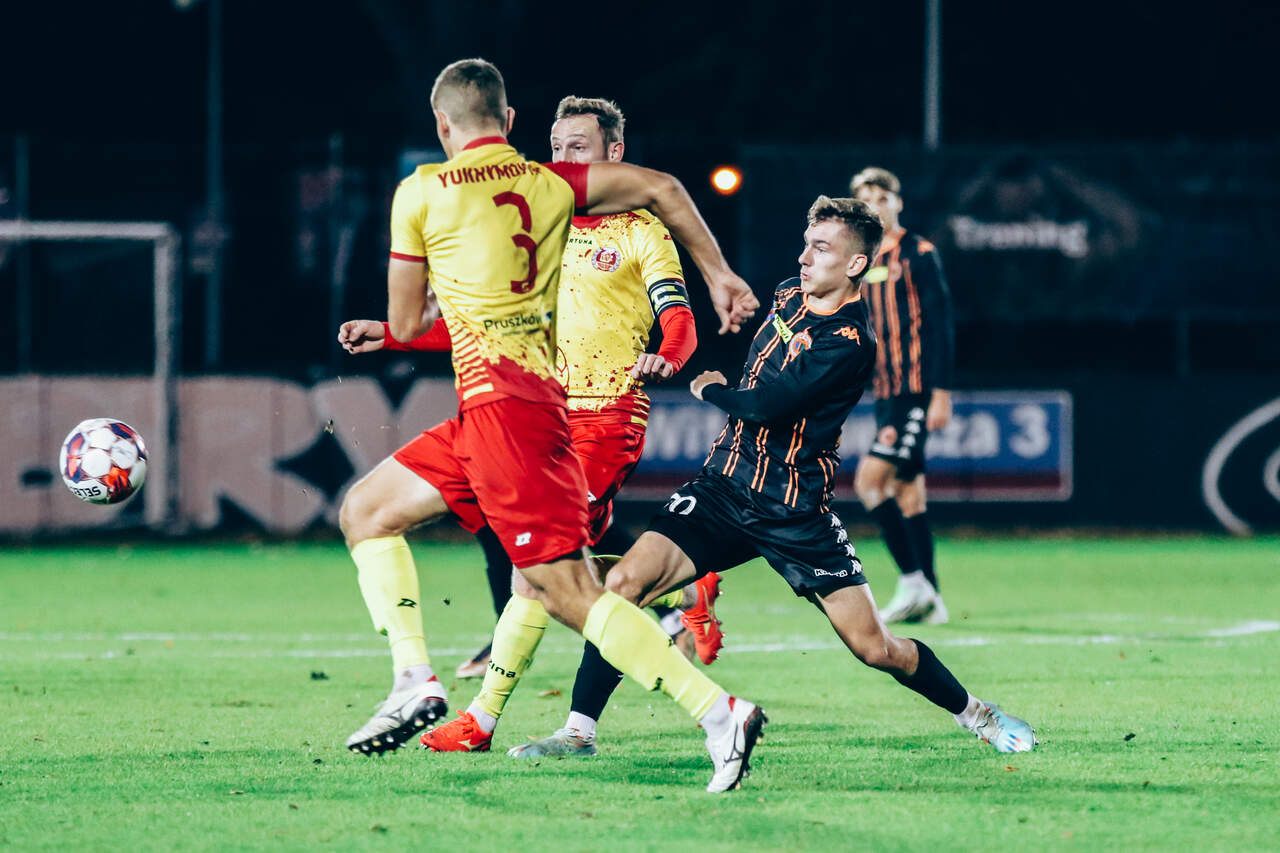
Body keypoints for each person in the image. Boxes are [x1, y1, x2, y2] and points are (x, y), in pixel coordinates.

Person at [334, 58, 762, 793]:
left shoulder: (429, 191)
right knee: (367, 511)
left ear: (442, 125)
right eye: (558, 144)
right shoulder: (546, 194)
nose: (565, 154)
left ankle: (716, 710)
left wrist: (404, 323)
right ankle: (415, 680)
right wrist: (723, 273)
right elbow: (665, 187)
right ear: (510, 123)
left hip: (553, 416)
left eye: (578, 146)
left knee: (557, 588)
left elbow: (420, 314)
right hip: (507, 409)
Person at [561, 195, 1035, 759]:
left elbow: (768, 405)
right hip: (722, 487)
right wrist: (731, 300)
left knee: (875, 647)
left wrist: (711, 389)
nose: (805, 257)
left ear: (855, 264)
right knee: (622, 586)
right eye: (807, 244)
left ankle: (977, 713)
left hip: (793, 510)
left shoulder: (849, 342)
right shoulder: (789, 293)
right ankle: (578, 732)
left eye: (821, 248)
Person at [850, 167, 955, 624]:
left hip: (913, 390)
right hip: (885, 391)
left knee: (869, 482)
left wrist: (940, 393)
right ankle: (932, 599)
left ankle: (914, 583)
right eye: (866, 198)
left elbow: (940, 325)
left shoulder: (918, 253)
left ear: (898, 202)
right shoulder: (860, 259)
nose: (875, 205)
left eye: (882, 196)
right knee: (908, 492)